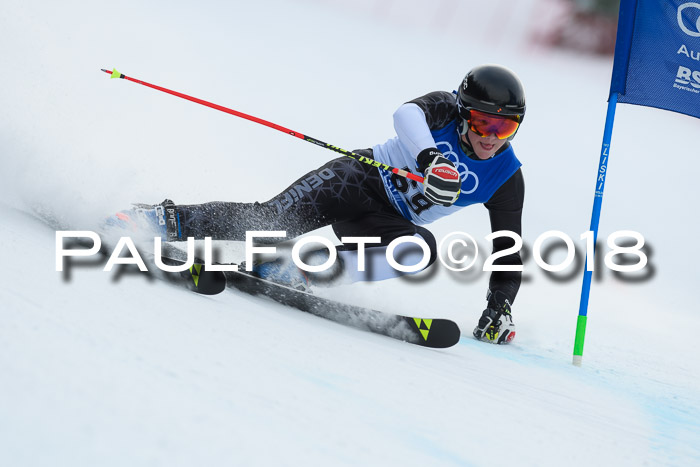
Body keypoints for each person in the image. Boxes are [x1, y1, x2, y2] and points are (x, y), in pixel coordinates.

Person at [113, 64, 525, 345]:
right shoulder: (443, 108)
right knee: (268, 221)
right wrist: (430, 159)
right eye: (483, 122)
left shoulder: (505, 176)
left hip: (386, 221)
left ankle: (289, 271)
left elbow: (508, 249)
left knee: (420, 250)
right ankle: (155, 220)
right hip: (356, 180)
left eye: (505, 127)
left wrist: (498, 305)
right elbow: (406, 114)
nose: (492, 136)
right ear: (463, 113)